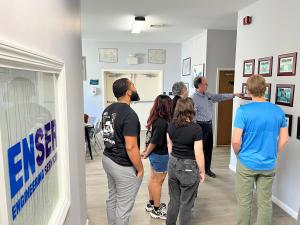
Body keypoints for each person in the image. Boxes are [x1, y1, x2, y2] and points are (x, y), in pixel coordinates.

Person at [232, 75, 289, 225]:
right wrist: (274, 153)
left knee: (244, 202)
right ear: (265, 89)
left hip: (246, 162)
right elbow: (284, 139)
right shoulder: (278, 111)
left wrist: (239, 154)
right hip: (268, 163)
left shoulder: (243, 111)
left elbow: (236, 140)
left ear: (249, 90)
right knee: (265, 203)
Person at [101, 78, 144, 225]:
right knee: (123, 207)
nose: (135, 87)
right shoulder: (129, 115)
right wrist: (140, 168)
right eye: (133, 85)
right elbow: (131, 147)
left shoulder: (107, 110)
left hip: (108, 159)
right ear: (128, 92)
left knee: (113, 198)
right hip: (122, 165)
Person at [192, 76, 243, 178]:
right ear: (199, 85)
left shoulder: (208, 95)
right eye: (205, 84)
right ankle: (196, 171)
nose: (207, 85)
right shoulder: (193, 98)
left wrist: (234, 95)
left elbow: (220, 96)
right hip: (199, 126)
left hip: (209, 125)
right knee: (198, 150)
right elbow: (192, 115)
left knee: (209, 148)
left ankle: (207, 169)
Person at [166, 98, 205, 225]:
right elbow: (198, 153)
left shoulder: (171, 125)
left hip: (172, 163)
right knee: (186, 204)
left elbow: (169, 147)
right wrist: (202, 171)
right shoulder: (196, 129)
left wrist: (173, 162)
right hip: (188, 167)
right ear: (191, 110)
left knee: (174, 201)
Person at [142, 95, 173, 220]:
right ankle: (156, 209)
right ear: (166, 106)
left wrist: (146, 150)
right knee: (158, 182)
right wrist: (146, 153)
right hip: (160, 155)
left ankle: (152, 203)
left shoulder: (154, 119)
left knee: (153, 179)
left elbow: (149, 138)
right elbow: (154, 141)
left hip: (155, 155)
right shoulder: (161, 122)